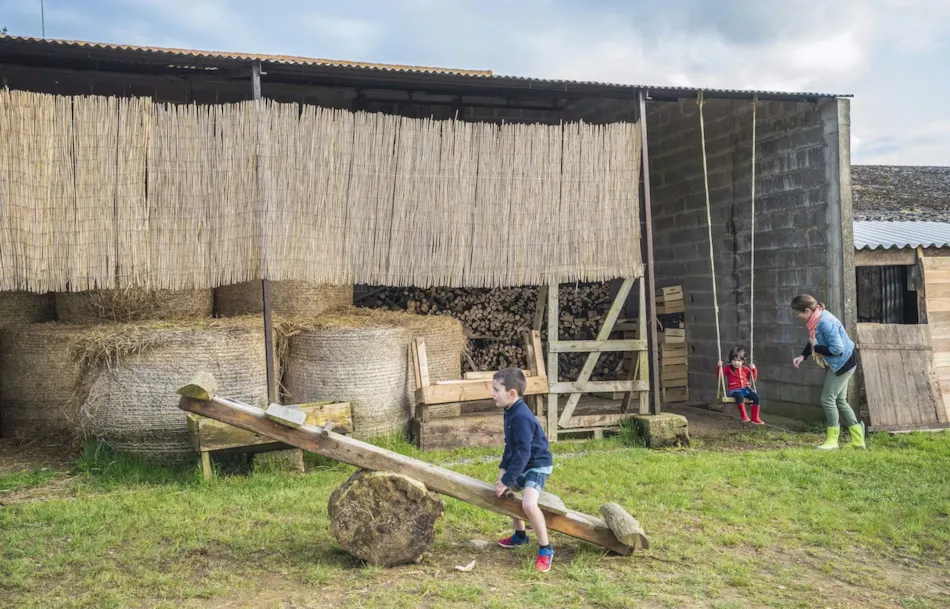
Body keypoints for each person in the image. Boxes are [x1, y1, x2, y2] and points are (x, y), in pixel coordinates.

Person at [492, 367, 555, 572]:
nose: (493, 394)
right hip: (524, 461)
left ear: (512, 393)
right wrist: (503, 470)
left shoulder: (521, 417)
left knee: (528, 504)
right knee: (508, 494)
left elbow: (523, 453)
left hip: (537, 465)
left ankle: (546, 549)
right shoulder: (510, 411)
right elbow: (510, 446)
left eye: (496, 390)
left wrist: (508, 478)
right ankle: (520, 536)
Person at [790, 294, 866, 450]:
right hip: (843, 361)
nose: (797, 316)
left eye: (798, 313)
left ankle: (832, 442)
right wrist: (803, 356)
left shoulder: (825, 322)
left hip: (843, 362)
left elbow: (837, 350)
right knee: (840, 400)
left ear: (807, 310)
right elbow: (814, 341)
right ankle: (858, 441)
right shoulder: (815, 319)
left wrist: (816, 348)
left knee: (827, 399)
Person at [718, 346, 763, 424]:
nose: (736, 362)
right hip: (734, 390)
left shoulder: (745, 369)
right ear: (730, 360)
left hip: (746, 389)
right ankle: (744, 416)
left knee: (757, 397)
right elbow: (720, 376)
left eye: (739, 360)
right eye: (734, 360)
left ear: (743, 361)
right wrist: (719, 367)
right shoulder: (728, 368)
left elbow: (753, 379)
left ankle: (755, 418)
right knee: (739, 395)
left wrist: (754, 369)